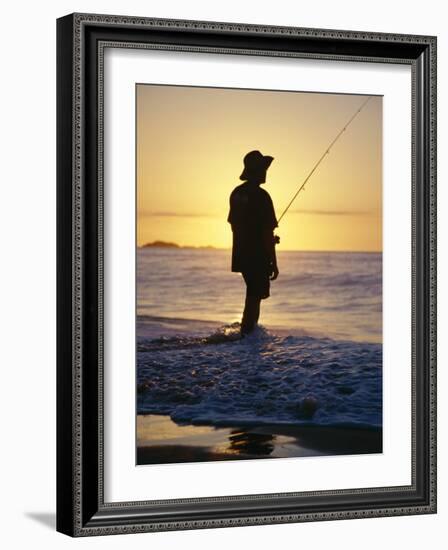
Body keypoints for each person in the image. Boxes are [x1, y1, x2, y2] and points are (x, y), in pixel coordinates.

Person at [227, 150, 279, 336]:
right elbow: (266, 231)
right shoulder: (262, 196)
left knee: (252, 293)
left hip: (241, 254)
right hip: (257, 255)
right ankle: (247, 335)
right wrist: (274, 261)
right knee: (255, 296)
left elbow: (235, 225)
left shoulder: (236, 193)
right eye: (263, 169)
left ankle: (246, 333)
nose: (265, 173)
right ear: (257, 171)